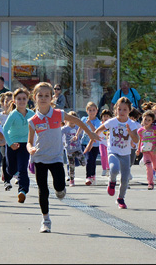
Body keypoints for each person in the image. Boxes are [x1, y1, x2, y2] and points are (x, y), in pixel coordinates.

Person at [27, 82, 99, 233]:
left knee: (59, 186)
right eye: (40, 95)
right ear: (35, 97)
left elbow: (78, 121)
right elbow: (29, 141)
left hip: (56, 158)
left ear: (51, 97)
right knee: (43, 190)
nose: (43, 98)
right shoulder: (33, 121)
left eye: (47, 95)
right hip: (40, 158)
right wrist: (30, 148)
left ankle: (61, 189)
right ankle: (46, 220)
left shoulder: (58, 114)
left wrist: (90, 133)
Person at [92, 97, 138, 209]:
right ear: (116, 109)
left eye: (125, 110)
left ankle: (120, 198)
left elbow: (136, 140)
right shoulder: (112, 121)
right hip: (113, 151)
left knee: (125, 179)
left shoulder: (131, 124)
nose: (122, 112)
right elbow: (99, 129)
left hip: (126, 154)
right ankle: (112, 181)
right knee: (114, 169)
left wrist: (130, 133)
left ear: (129, 110)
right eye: (119, 109)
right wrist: (94, 137)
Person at [2, 88, 34, 203]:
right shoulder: (13, 114)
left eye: (24, 99)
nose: (21, 101)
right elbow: (4, 130)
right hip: (12, 144)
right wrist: (10, 144)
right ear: (14, 101)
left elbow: (37, 128)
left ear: (27, 100)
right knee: (11, 169)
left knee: (22, 168)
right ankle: (6, 173)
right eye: (19, 99)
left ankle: (22, 191)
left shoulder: (31, 114)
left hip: (25, 145)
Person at [136, 110, 156, 190]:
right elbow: (140, 140)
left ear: (152, 121)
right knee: (148, 166)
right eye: (145, 119)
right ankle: (150, 183)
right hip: (145, 151)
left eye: (149, 120)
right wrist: (138, 149)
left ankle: (155, 166)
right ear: (142, 119)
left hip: (154, 150)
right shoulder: (140, 130)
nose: (146, 121)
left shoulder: (155, 129)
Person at [0, 92, 14, 191]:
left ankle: (7, 176)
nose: (8, 103)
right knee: (2, 157)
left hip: (12, 141)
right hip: (1, 141)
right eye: (6, 101)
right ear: (2, 102)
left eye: (11, 101)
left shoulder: (15, 115)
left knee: (9, 161)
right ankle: (6, 181)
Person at [63, 111, 86, 187]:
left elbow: (82, 130)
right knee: (71, 166)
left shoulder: (77, 127)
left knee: (83, 161)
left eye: (74, 120)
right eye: (70, 120)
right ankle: (72, 180)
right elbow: (58, 134)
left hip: (77, 149)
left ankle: (81, 162)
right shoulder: (65, 128)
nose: (72, 122)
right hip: (69, 150)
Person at [81, 102, 101, 185]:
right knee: (89, 159)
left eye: (94, 110)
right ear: (87, 111)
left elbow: (95, 132)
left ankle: (93, 175)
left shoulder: (97, 121)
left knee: (93, 160)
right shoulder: (83, 119)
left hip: (95, 144)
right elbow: (80, 127)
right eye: (90, 110)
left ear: (96, 111)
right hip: (85, 143)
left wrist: (89, 124)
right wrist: (76, 136)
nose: (92, 112)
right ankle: (88, 177)